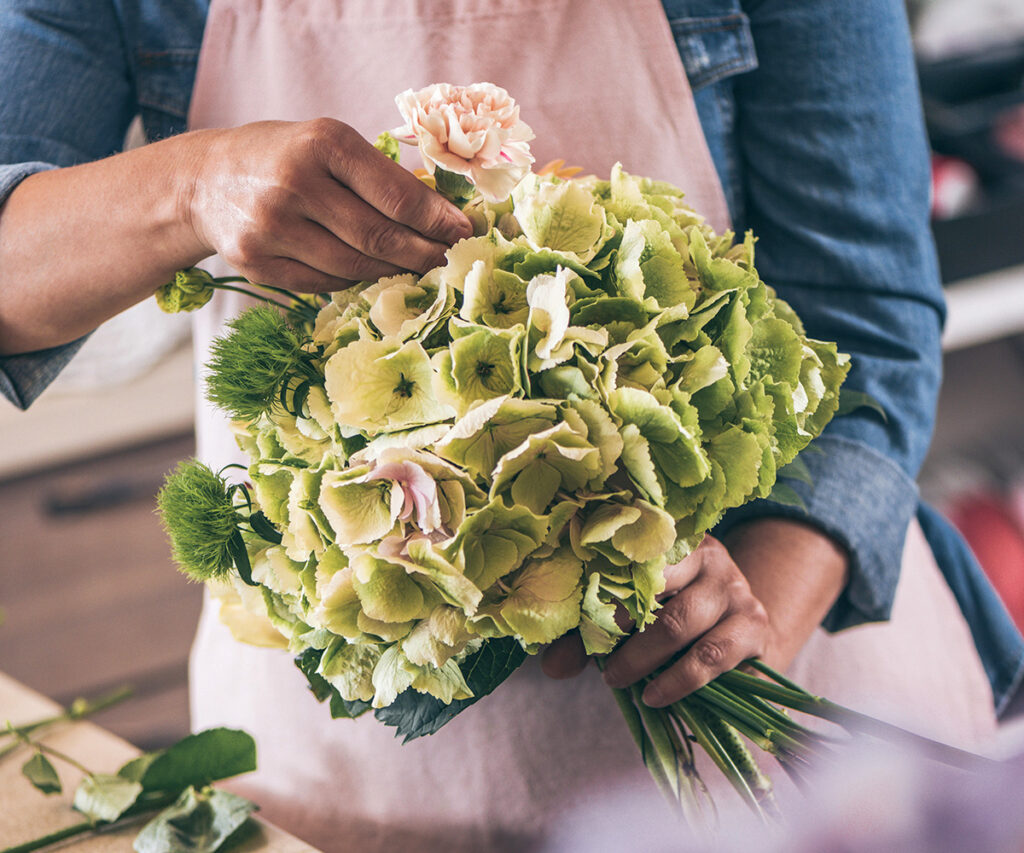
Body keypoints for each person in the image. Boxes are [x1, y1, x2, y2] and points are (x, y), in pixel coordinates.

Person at [0, 0, 1019, 849]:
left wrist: (754, 612)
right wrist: (188, 188)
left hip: (765, 745)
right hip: (351, 774)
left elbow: (863, 317)